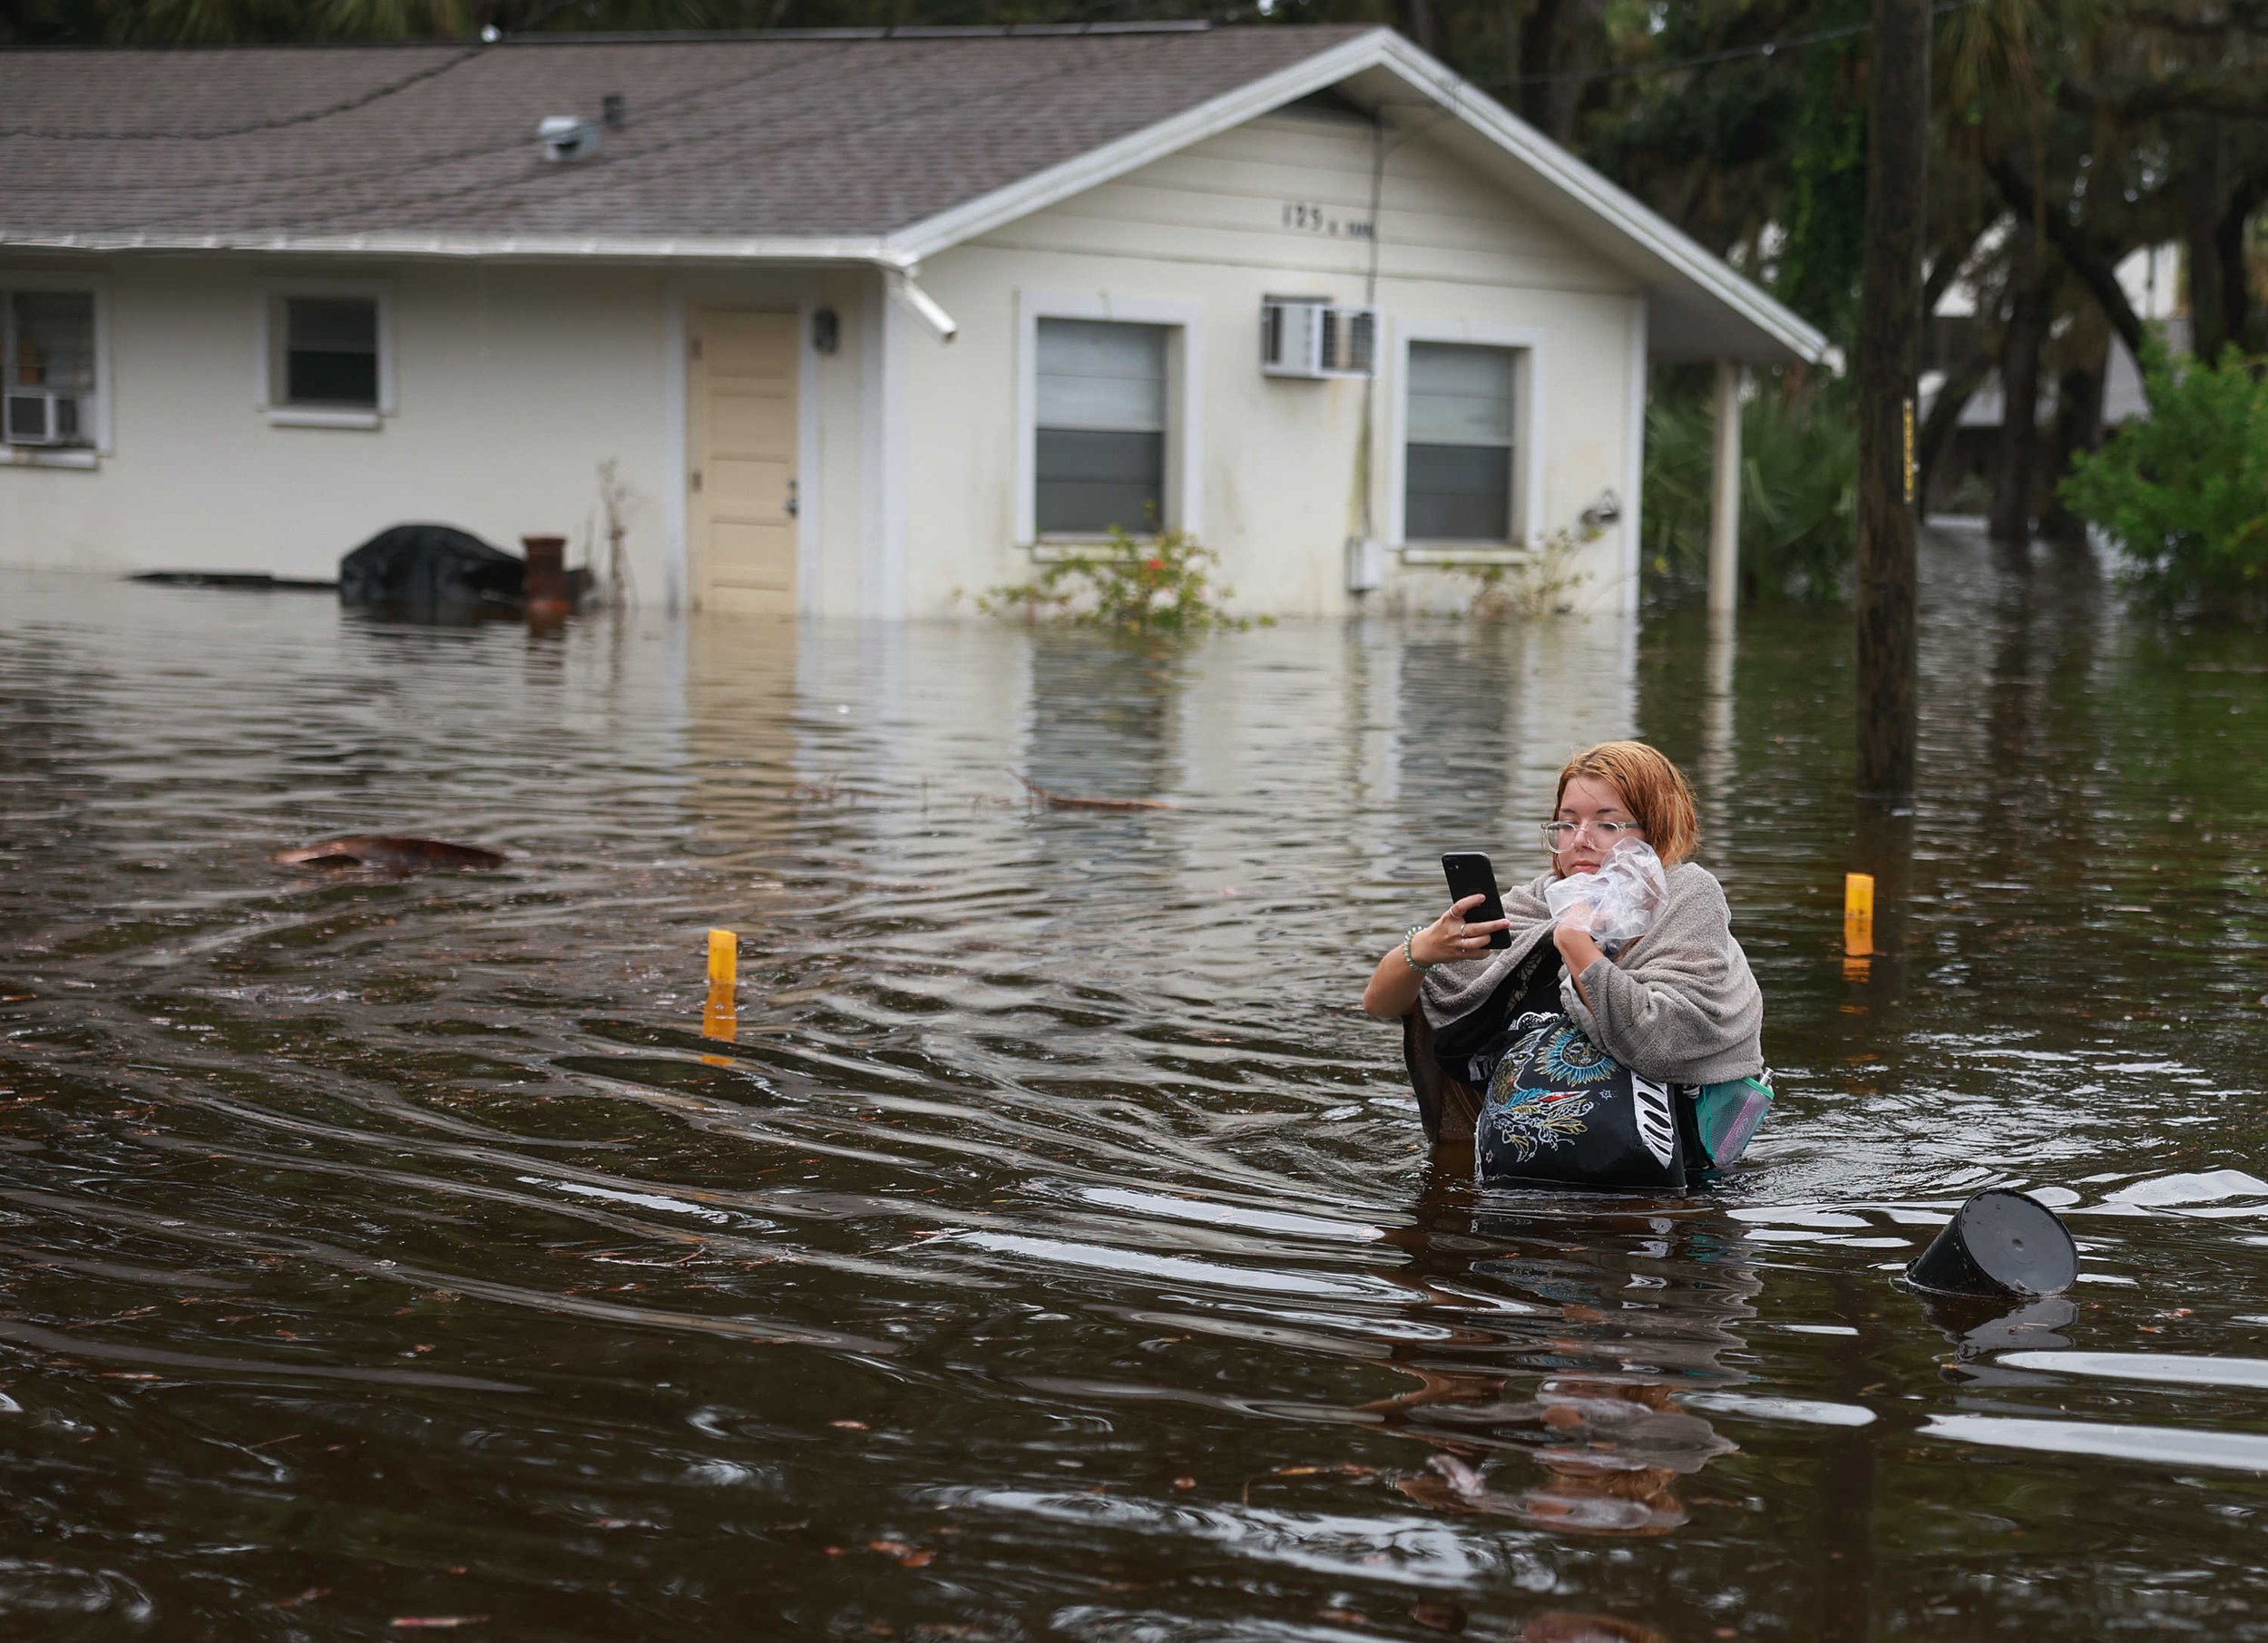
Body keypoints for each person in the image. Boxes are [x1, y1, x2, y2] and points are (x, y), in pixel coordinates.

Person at [1361, 739, 1764, 1146]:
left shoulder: (1687, 896)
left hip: (1662, 1166)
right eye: (1567, 823)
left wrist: (1574, 942)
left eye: (1607, 825)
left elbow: (1666, 1041)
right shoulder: (1541, 900)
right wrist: (1422, 950)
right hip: (1528, 1153)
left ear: (1656, 826)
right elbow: (1381, 1004)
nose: (1580, 840)